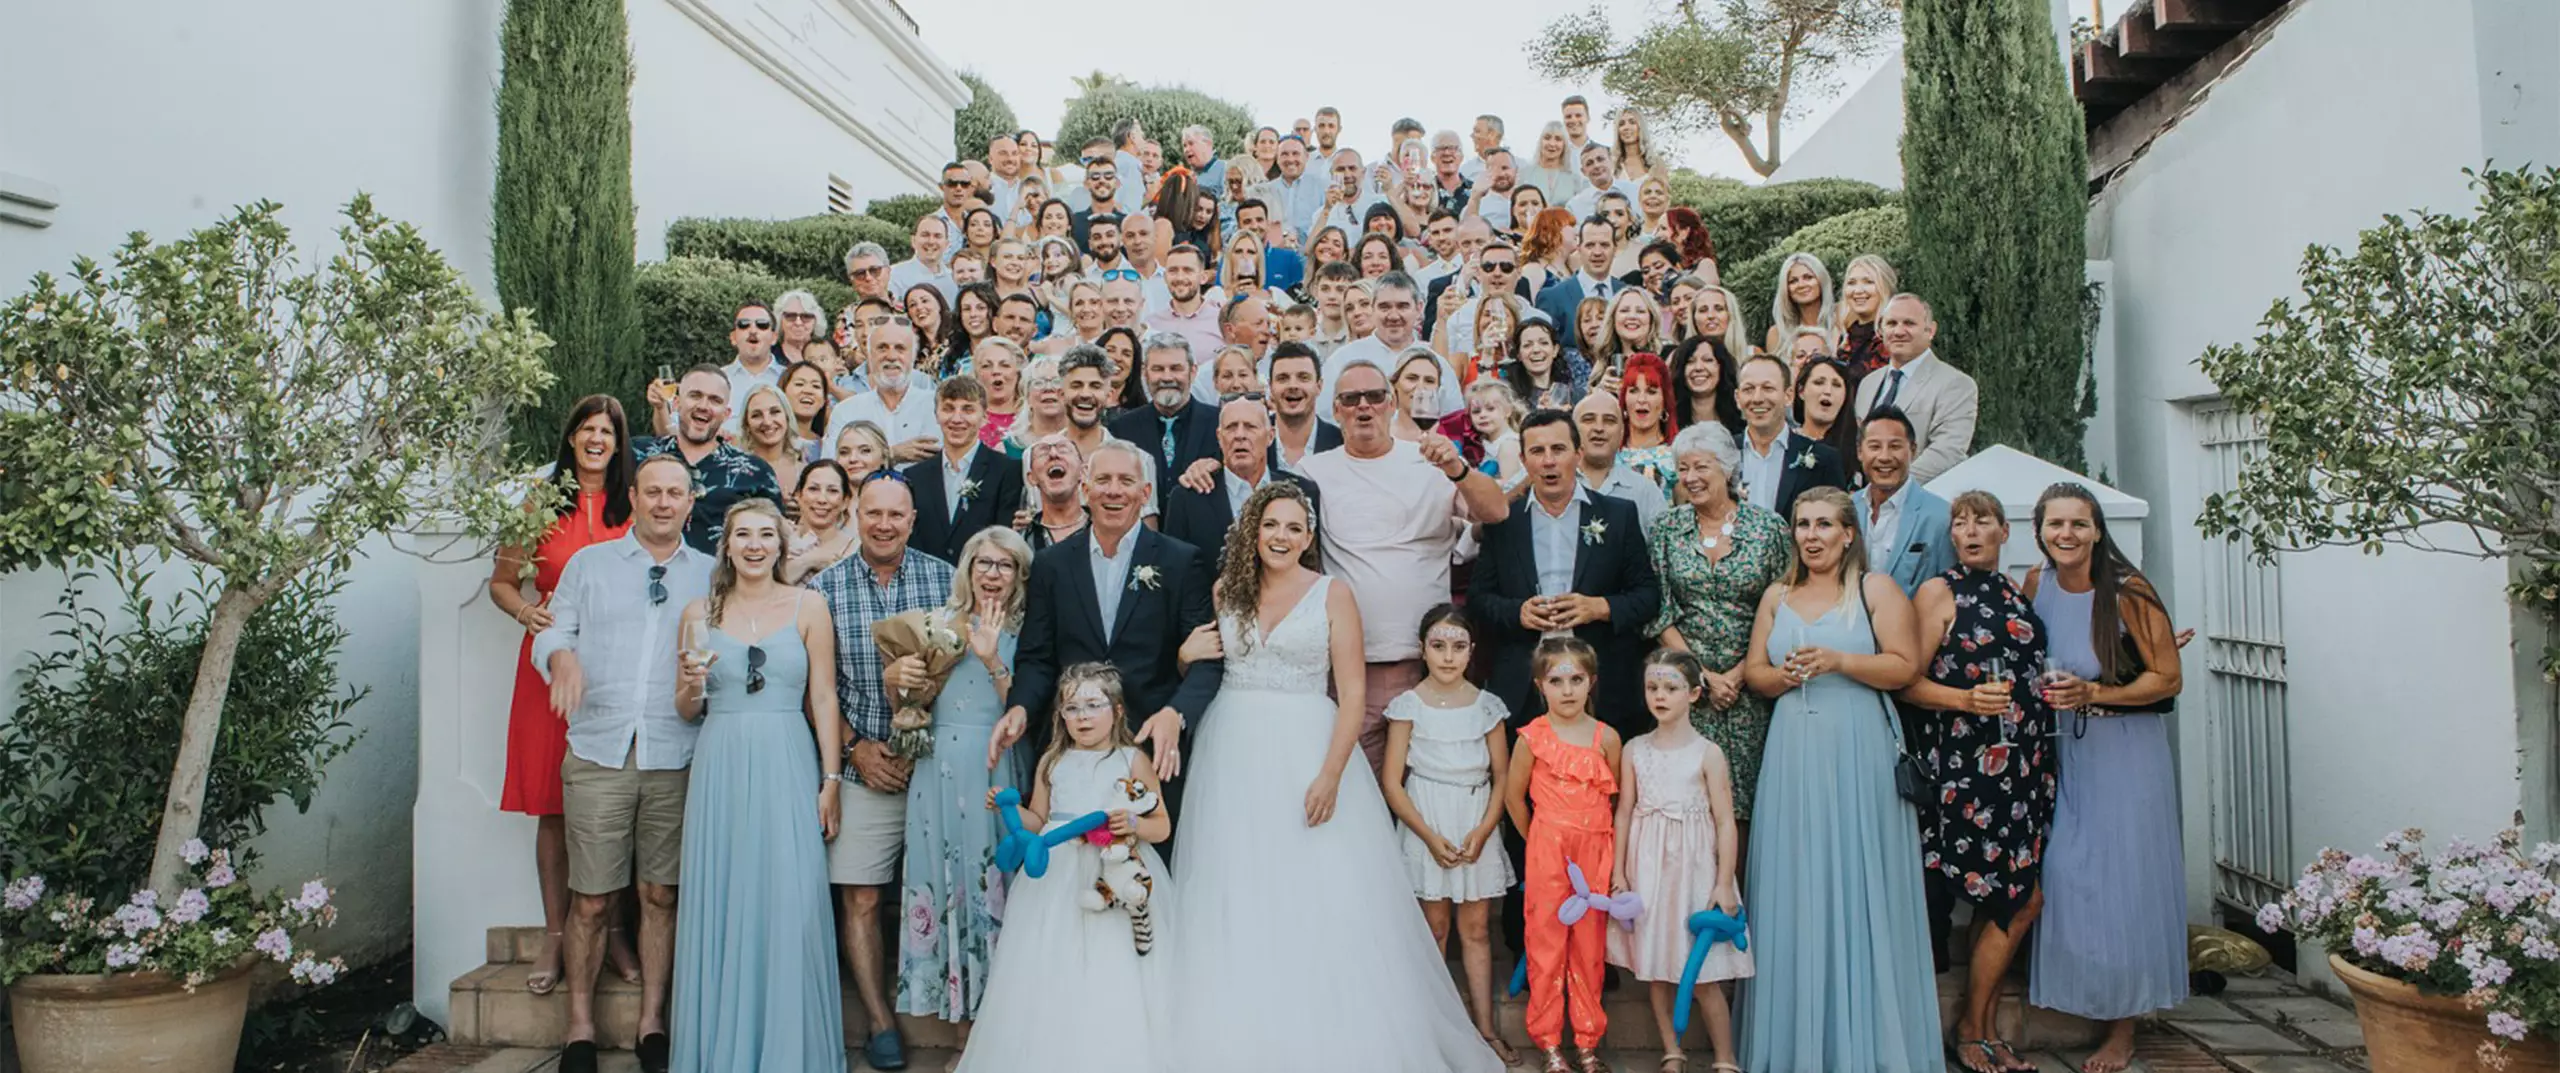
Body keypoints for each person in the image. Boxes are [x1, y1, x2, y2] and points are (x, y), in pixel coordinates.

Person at [1163, 482, 1506, 1072]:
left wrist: (1329, 774)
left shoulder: (1332, 593)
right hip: (1232, 749)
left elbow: (1351, 697)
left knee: (1317, 888)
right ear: (1253, 529)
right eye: (1272, 525)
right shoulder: (1227, 591)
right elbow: (1207, 668)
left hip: (1308, 745)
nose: (1282, 537)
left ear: (1310, 537)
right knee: (1235, 883)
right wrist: (1181, 657)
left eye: (1296, 528)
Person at [1736, 486, 1938, 1073]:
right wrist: (1782, 676)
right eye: (1803, 524)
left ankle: (1870, 1044)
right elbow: (1755, 673)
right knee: (1796, 880)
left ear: (1849, 534)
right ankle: (1799, 1045)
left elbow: (1905, 665)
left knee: (1859, 875)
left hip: (1859, 748)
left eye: (1825, 524)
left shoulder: (1873, 588)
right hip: (1794, 746)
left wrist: (1839, 661)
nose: (1812, 535)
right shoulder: (1778, 594)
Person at [529, 454, 713, 1073]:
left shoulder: (712, 577)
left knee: (660, 893)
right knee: (592, 900)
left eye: (676, 493)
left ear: (692, 503)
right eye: (653, 491)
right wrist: (561, 660)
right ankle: (579, 1026)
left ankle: (651, 1023)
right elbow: (552, 632)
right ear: (632, 496)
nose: (664, 503)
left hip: (677, 751)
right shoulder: (590, 565)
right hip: (599, 747)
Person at [665, 497, 846, 1073]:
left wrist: (831, 778)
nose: (753, 545)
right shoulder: (698, 612)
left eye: (765, 535)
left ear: (781, 545)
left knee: (789, 902)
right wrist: (693, 684)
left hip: (788, 760)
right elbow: (686, 708)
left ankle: (790, 1053)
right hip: (720, 761)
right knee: (723, 898)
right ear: (726, 545)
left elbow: (823, 698)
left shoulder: (810, 606)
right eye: (742, 535)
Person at [2026, 483, 2187, 1073]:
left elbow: (2168, 677)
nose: (2066, 535)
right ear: (2039, 530)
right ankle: (2090, 992)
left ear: (2098, 531)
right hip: (2065, 751)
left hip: (2125, 752)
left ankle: (2123, 1028)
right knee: (2070, 871)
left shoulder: (2127, 589)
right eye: (2055, 524)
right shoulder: (2036, 585)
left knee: (2124, 879)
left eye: (2079, 524)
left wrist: (2098, 691)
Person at [1902, 490, 2058, 1073]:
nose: (1970, 531)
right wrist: (1966, 699)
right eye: (1960, 523)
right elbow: (1906, 681)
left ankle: (1988, 1028)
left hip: (2026, 765)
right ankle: (1971, 1029)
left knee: (2010, 897)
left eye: (1982, 522)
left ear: (2004, 530)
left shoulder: (2022, 592)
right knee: (2017, 897)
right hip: (1969, 765)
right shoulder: (1940, 592)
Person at [956, 664, 1176, 1073]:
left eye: (1094, 705)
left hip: (1111, 874)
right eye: (1071, 708)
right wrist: (1010, 807)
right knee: (1049, 968)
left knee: (1112, 969)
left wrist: (1132, 824)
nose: (1083, 716)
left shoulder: (1132, 761)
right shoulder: (1052, 762)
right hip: (1055, 881)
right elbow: (1039, 823)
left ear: (1117, 709)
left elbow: (1161, 826)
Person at [491, 397, 640, 1001]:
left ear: (619, 440)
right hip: (547, 668)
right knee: (554, 804)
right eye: (587, 428)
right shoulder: (540, 502)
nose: (596, 438)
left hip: (618, 667)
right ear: (572, 437)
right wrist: (529, 611)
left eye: (607, 430)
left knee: (622, 797)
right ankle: (557, 932)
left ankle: (618, 931)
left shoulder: (633, 504)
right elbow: (502, 582)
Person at [808, 475, 958, 1072]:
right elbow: (814, 687)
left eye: (896, 515)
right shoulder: (824, 590)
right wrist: (855, 749)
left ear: (913, 520)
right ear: (855, 514)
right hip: (862, 760)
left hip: (933, 764)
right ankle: (877, 1020)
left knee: (948, 892)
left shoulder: (945, 580)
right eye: (873, 513)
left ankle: (956, 1011)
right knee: (863, 896)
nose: (884, 524)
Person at [1295, 359, 1509, 773]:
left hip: (1431, 666)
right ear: (1335, 410)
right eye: (1350, 399)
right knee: (1367, 795)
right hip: (1355, 669)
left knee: (1437, 784)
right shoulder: (1313, 473)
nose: (1364, 407)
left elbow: (1496, 511)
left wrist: (1457, 468)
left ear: (1393, 403)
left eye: (1375, 396)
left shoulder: (1431, 462)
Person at [991, 441, 1222, 791]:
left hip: (1150, 742)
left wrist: (1176, 714)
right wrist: (1020, 707)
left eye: (1126, 481)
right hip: (1072, 741)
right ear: (1085, 489)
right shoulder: (1052, 565)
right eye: (1103, 480)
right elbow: (1037, 657)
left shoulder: (1180, 562)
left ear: (1145, 493)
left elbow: (1208, 659)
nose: (1113, 491)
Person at [893, 526, 1032, 1052]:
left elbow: (1024, 703)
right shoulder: (938, 624)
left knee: (994, 879)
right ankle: (960, 1037)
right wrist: (898, 681)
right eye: (984, 563)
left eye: (1005, 566)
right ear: (968, 569)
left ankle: (1002, 1032)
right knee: (943, 878)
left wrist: (993, 655)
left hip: (995, 762)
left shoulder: (1030, 628)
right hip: (938, 766)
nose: (992, 575)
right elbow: (913, 705)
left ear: (1018, 576)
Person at [1379, 605, 1518, 1065]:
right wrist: (1428, 835)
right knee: (1434, 927)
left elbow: (1502, 775)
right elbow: (1392, 781)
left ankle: (1484, 1028)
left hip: (1474, 815)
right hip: (1426, 819)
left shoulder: (1487, 706)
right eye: (1438, 646)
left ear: (1471, 652)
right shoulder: (1408, 706)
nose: (1447, 656)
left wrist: (1483, 829)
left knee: (1476, 930)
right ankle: (1434, 1029)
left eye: (1458, 647)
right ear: (1422, 649)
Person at [1471, 408, 1661, 736]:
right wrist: (1517, 612)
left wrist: (1599, 607)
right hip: (1524, 683)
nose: (1548, 461)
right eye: (1537, 451)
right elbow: (1478, 599)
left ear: (1578, 454)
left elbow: (1647, 596)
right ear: (1523, 460)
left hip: (1601, 683)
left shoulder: (1618, 516)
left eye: (1558, 450)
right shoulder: (1504, 521)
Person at [1608, 649, 1753, 1073]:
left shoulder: (1708, 753)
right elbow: (1623, 810)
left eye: (1671, 688)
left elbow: (1726, 822)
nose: (1660, 695)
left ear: (1693, 694)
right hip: (1648, 866)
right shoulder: (1634, 750)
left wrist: (1724, 882)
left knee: (1702, 969)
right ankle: (1672, 1050)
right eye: (1652, 687)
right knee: (1656, 967)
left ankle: (1725, 1057)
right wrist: (1619, 871)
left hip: (1693, 870)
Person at [1647, 422, 1791, 840]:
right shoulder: (1666, 528)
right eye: (1683, 468)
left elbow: (1786, 608)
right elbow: (1659, 610)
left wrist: (1739, 675)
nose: (1690, 478)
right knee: (1687, 805)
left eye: (1701, 467)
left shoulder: (1768, 529)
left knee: (1746, 807)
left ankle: (1742, 900)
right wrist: (1702, 676)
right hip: (1685, 691)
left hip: (1752, 692)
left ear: (1726, 468)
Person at [1500, 638, 1624, 1073]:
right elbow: (1514, 797)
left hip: (1594, 851)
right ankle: (1550, 1042)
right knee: (1547, 944)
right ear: (1540, 685)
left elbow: (1616, 800)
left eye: (1576, 680)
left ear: (1591, 682)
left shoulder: (1606, 737)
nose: (1567, 690)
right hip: (1548, 852)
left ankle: (1588, 1042)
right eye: (1556, 680)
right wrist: (1539, 838)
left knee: (1588, 947)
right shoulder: (1532, 739)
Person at [636, 367, 780, 554]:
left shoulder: (754, 472)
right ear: (677, 403)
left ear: (726, 414)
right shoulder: (638, 454)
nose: (703, 406)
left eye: (715, 400)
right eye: (695, 395)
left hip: (720, 580)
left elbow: (776, 540)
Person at [1162, 397, 1323, 564]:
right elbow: (1175, 572)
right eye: (1231, 427)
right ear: (1219, 437)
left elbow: (1311, 564)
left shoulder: (1302, 493)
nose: (1240, 435)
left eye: (1250, 427)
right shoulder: (1187, 499)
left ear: (1270, 436)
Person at [1853, 294, 1978, 487]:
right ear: (1880, 330)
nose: (1899, 331)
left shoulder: (1956, 384)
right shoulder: (1868, 384)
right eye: (1891, 323)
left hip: (1921, 501)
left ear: (1931, 330)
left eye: (1909, 323)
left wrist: (1892, 486)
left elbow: (1947, 451)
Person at [905, 374, 1026, 567]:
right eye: (948, 409)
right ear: (936, 414)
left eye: (968, 409)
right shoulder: (914, 476)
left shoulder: (1007, 470)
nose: (957, 418)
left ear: (984, 416)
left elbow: (1005, 536)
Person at [1107, 332, 1220, 514]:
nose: (1167, 377)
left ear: (1193, 372)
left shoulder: (1219, 424)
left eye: (1176, 368)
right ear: (1145, 373)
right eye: (1158, 369)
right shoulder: (1121, 430)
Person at [1733, 354, 1848, 523]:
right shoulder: (1721, 454)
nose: (1757, 398)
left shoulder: (1823, 460)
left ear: (1788, 395)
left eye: (1768, 388)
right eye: (1748, 389)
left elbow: (1836, 525)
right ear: (1737, 398)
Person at [1856, 407, 1958, 596]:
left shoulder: (1941, 517)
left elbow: (1950, 593)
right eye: (1875, 447)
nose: (1884, 457)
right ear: (1860, 452)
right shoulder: (1847, 510)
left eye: (1895, 446)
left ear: (1912, 450)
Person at [823, 323, 939, 466]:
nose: (891, 356)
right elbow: (831, 469)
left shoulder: (936, 406)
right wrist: (890, 455)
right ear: (870, 357)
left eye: (900, 348)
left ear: (913, 357)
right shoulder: (846, 411)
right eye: (882, 348)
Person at [1570, 392, 1668, 529]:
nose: (1599, 428)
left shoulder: (1645, 491)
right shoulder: (1554, 486)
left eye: (1609, 421)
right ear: (1572, 431)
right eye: (1588, 420)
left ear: (1622, 431)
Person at [1264, 343, 1343, 472]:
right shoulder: (1254, 439)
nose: (1293, 385)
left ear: (1319, 386)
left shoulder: (1341, 443)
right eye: (1283, 378)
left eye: (1303, 378)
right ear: (1271, 387)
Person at [784, 460, 857, 585]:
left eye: (832, 491)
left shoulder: (857, 549)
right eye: (813, 489)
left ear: (845, 502)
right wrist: (810, 560)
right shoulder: (778, 542)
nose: (822, 499)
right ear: (798, 496)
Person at [735, 385, 805, 515]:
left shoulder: (805, 471)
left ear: (787, 416)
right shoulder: (735, 473)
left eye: (775, 412)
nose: (767, 422)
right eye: (756, 415)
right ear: (746, 425)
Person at [1616, 351, 1679, 494]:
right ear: (1624, 400)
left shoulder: (1680, 456)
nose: (1642, 399)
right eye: (1634, 391)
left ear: (1664, 401)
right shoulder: (1609, 455)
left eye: (1651, 392)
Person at [1018, 432, 1089, 552]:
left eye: (1063, 449)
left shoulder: (1104, 529)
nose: (1053, 454)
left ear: (1082, 472)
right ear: (1031, 478)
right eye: (1043, 452)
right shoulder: (1022, 542)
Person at [1793, 357, 1862, 471]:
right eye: (1819, 383)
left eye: (1836, 385)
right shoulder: (1783, 442)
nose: (1827, 391)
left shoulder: (1858, 447)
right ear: (1801, 391)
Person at [1833, 254, 1897, 377]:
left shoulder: (1893, 337)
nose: (1858, 291)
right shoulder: (1845, 339)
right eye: (1851, 283)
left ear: (1886, 287)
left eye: (1868, 282)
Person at [1764, 252, 1835, 356]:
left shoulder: (1840, 317)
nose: (1801, 285)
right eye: (1793, 281)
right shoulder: (1777, 334)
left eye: (1808, 277)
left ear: (1821, 280)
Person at [891, 216, 958, 303]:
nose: (931, 241)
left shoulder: (954, 278)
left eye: (937, 236)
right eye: (925, 235)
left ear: (946, 244)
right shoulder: (894, 276)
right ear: (913, 240)